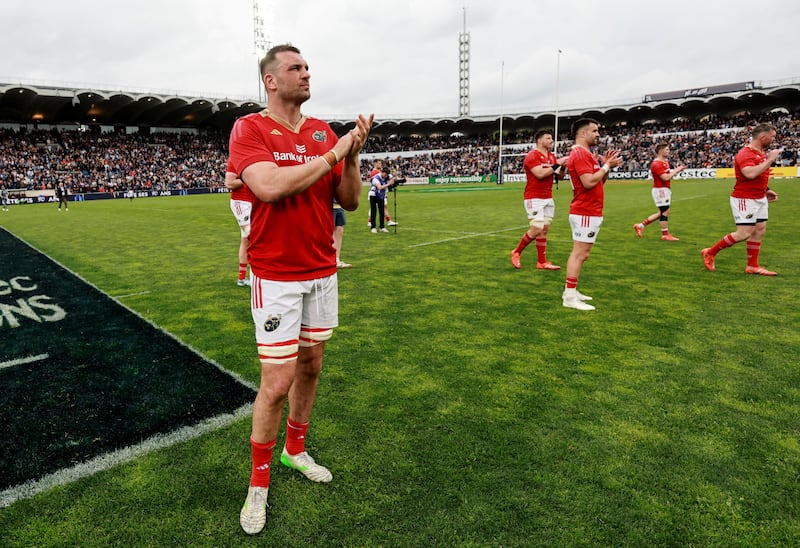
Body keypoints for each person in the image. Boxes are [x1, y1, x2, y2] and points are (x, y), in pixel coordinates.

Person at [226, 43, 373, 535]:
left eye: (308, 67)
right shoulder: (250, 128)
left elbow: (349, 201)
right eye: (295, 68)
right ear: (270, 80)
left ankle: (294, 450)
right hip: (276, 277)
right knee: (275, 383)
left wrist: (350, 156)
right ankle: (258, 483)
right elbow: (267, 187)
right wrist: (335, 149)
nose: (306, 74)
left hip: (321, 272)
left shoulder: (322, 132)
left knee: (312, 364)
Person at [701, 123, 781, 275]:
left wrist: (767, 190)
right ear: (763, 137)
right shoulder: (745, 153)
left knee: (759, 230)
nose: (773, 139)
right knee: (744, 233)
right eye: (772, 137)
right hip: (745, 198)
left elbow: (759, 175)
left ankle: (752, 266)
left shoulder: (760, 152)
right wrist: (770, 160)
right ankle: (710, 252)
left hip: (759, 197)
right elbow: (749, 174)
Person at [563, 118, 623, 311]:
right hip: (585, 211)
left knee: (582, 254)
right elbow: (588, 182)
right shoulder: (580, 154)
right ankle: (570, 297)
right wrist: (605, 166)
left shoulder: (587, 154)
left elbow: (598, 182)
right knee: (580, 254)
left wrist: (606, 167)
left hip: (590, 210)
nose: (598, 134)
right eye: (595, 131)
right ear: (582, 133)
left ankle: (570, 291)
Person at [510, 129, 567, 270]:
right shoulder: (532, 156)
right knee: (536, 229)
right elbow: (540, 174)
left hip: (548, 197)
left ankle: (542, 262)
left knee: (544, 230)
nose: (551, 141)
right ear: (540, 140)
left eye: (551, 138)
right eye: (548, 138)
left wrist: (563, 166)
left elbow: (560, 176)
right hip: (533, 197)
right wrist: (557, 164)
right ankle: (516, 252)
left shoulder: (552, 156)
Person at [633, 143, 686, 240]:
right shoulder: (656, 164)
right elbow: (665, 178)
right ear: (661, 151)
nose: (669, 151)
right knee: (664, 212)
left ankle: (640, 226)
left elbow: (667, 175)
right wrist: (676, 170)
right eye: (667, 149)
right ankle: (665, 235)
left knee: (662, 212)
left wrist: (675, 171)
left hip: (665, 189)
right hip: (660, 190)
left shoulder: (665, 162)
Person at [226, 160, 255, 286]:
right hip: (240, 202)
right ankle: (256, 274)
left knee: (246, 240)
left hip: (253, 201)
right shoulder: (234, 160)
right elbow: (230, 183)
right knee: (251, 235)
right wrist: (248, 178)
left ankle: (242, 278)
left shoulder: (255, 160)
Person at [367, 158, 396, 227]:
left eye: (381, 163)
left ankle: (386, 221)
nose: (380, 164)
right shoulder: (375, 173)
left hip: (380, 192)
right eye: (379, 163)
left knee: (380, 206)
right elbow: (379, 185)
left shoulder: (379, 171)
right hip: (377, 193)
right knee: (376, 207)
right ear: (375, 164)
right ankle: (371, 221)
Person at [369, 166, 392, 233]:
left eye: (387, 175)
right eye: (385, 174)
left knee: (381, 211)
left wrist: (392, 179)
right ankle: (373, 227)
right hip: (373, 195)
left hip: (381, 195)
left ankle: (382, 227)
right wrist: (388, 184)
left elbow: (392, 177)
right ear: (382, 172)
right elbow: (379, 187)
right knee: (374, 211)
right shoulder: (375, 178)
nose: (386, 176)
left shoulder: (385, 177)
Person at [333, 199, 351, 268]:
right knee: (328, 233)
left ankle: (337, 260)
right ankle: (328, 260)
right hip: (328, 205)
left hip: (339, 206)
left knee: (339, 231)